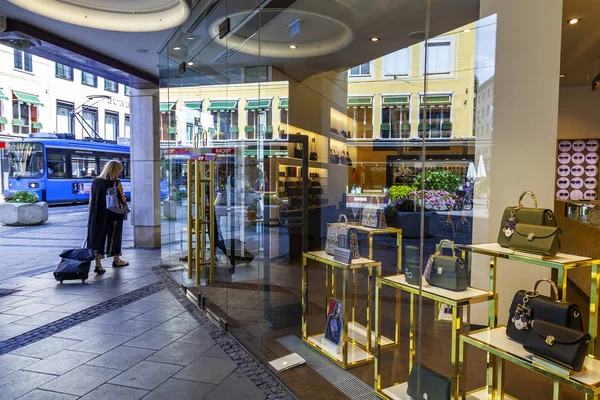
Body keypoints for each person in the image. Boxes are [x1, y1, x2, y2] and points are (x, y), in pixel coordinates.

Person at [87, 160, 129, 273]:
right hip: (113, 214)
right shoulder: (116, 183)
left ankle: (98, 265)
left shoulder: (95, 182)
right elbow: (122, 198)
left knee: (97, 237)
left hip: (97, 214)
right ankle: (116, 259)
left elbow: (91, 200)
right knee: (115, 236)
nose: (119, 173)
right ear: (115, 171)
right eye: (119, 171)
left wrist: (91, 213)